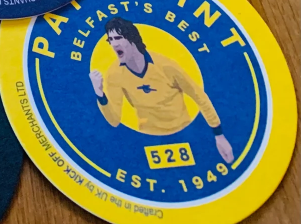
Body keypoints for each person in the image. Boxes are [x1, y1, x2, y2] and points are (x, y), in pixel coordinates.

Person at [89, 17, 234, 164]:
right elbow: (114, 120)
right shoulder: (114, 74)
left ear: (132, 38)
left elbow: (199, 97)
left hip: (183, 132)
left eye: (118, 38)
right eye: (110, 40)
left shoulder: (166, 66)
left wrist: (219, 135)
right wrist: (100, 93)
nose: (114, 44)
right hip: (147, 138)